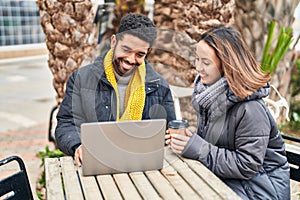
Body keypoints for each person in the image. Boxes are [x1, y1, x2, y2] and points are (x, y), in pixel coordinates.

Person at [166, 25, 290, 199]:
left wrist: (198, 147)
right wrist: (191, 140)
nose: (198, 68)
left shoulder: (251, 109)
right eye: (197, 60)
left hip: (258, 191)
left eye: (206, 62)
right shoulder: (209, 95)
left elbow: (247, 165)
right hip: (227, 182)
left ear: (227, 65)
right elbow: (216, 145)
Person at [55, 13, 176, 166]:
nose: (130, 60)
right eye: (126, 49)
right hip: (95, 165)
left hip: (142, 169)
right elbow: (66, 123)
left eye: (140, 54)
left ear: (147, 53)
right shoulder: (80, 79)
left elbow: (169, 132)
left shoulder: (160, 87)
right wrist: (77, 146)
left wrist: (177, 135)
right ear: (113, 42)